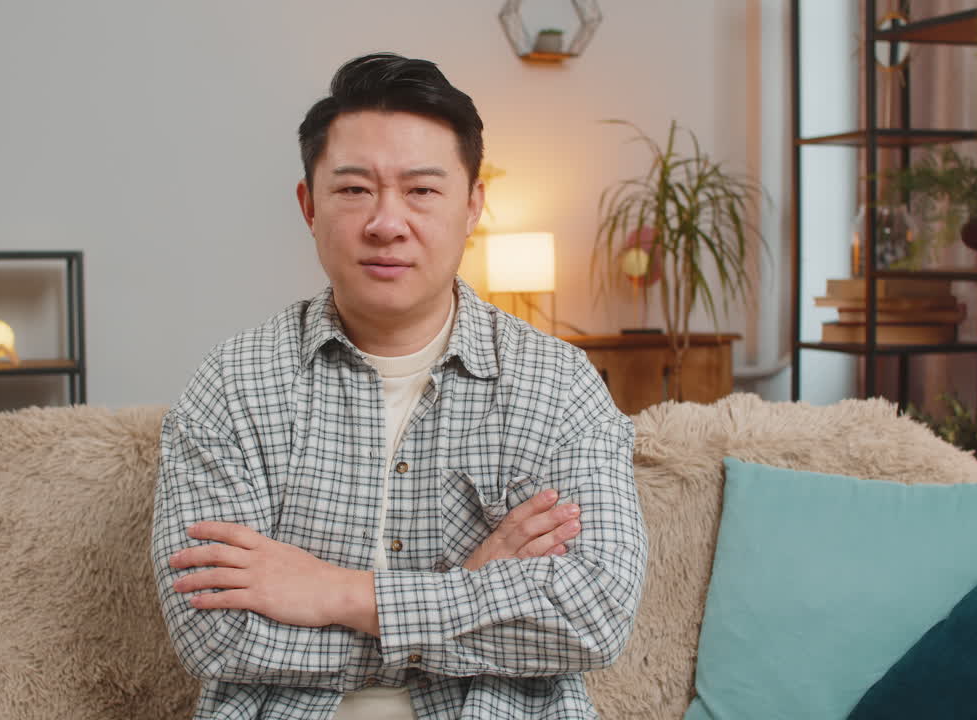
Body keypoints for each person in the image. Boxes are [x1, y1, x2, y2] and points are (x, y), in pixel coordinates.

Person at [151, 52, 647, 720]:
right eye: (354, 189)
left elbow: (593, 614)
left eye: (422, 190)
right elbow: (211, 635)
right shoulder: (233, 384)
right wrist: (469, 593)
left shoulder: (557, 386)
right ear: (308, 204)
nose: (387, 222)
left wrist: (336, 593)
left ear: (473, 205)